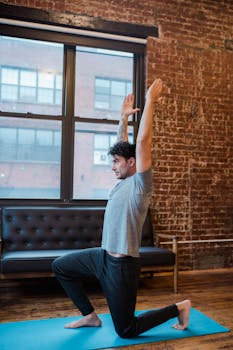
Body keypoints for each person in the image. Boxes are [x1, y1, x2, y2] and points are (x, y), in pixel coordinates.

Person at [52, 79, 191, 338]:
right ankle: (90, 316)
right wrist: (123, 118)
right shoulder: (122, 179)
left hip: (122, 266)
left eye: (116, 162)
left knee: (126, 330)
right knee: (61, 266)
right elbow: (123, 146)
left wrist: (150, 102)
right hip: (102, 257)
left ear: (132, 163)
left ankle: (179, 307)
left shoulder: (140, 185)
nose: (112, 166)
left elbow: (142, 143)